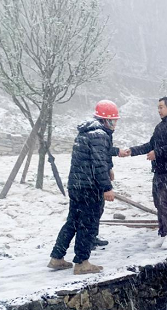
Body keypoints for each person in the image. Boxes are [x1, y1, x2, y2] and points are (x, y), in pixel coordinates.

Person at [48, 100, 119, 275]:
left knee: (72, 221)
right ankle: (81, 262)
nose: (116, 123)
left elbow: (97, 156)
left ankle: (57, 257)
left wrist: (113, 157)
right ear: (106, 120)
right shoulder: (99, 135)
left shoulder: (86, 133)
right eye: (114, 120)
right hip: (90, 187)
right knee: (88, 224)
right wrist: (106, 188)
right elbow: (98, 164)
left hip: (76, 185)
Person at [126, 97, 167, 250]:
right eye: (158, 107)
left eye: (161, 107)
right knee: (158, 201)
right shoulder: (160, 127)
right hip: (159, 170)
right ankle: (163, 233)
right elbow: (151, 145)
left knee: (165, 201)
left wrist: (158, 153)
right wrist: (132, 151)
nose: (159, 110)